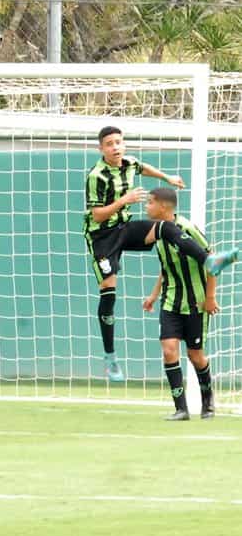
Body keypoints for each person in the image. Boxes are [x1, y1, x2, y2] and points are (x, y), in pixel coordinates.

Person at [83, 126, 186, 381]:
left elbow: (144, 167)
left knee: (165, 228)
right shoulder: (97, 175)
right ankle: (110, 358)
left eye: (118, 142)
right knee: (109, 291)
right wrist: (123, 201)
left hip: (124, 228)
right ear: (101, 149)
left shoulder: (129, 162)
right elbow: (96, 214)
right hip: (102, 237)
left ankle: (206, 258)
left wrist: (168, 179)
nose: (115, 147)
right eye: (109, 144)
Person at [141, 188, 217, 421]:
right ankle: (181, 408)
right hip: (170, 302)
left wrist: (211, 297)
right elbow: (167, 267)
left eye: (150, 203)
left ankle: (208, 401)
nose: (146, 207)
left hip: (195, 303)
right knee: (168, 349)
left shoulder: (187, 229)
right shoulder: (158, 232)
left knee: (195, 355)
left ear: (163, 206)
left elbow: (212, 261)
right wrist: (154, 295)